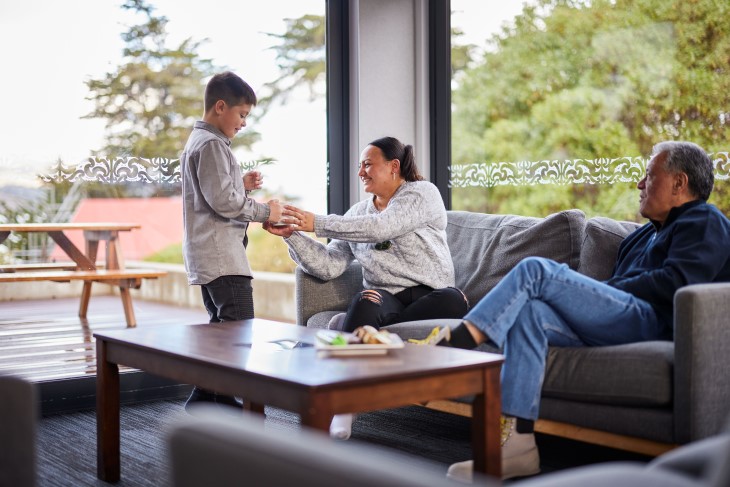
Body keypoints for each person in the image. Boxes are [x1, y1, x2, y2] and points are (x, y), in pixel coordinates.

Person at [424, 141, 730, 481]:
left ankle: (455, 345)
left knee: (535, 270)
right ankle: (517, 447)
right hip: (621, 319)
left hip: (655, 320)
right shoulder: (641, 236)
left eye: (649, 176)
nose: (640, 184)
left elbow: (679, 282)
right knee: (531, 313)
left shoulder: (704, 220)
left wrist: (605, 291)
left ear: (679, 184)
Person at [265, 136, 470, 438]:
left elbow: (382, 227)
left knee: (456, 299)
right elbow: (330, 264)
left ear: (393, 166)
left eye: (367, 165)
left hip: (432, 294)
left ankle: (358, 330)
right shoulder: (358, 213)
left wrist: (316, 222)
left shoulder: (422, 194)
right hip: (385, 298)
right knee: (366, 299)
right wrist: (291, 235)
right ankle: (344, 406)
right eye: (359, 166)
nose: (361, 172)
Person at [180, 71, 287, 411]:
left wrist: (240, 182)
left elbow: (213, 192)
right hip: (222, 258)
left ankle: (210, 400)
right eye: (241, 115)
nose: (243, 123)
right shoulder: (212, 145)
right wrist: (267, 211)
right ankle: (229, 406)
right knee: (240, 332)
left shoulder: (199, 142)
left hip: (207, 255)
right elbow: (224, 203)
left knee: (222, 332)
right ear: (220, 107)